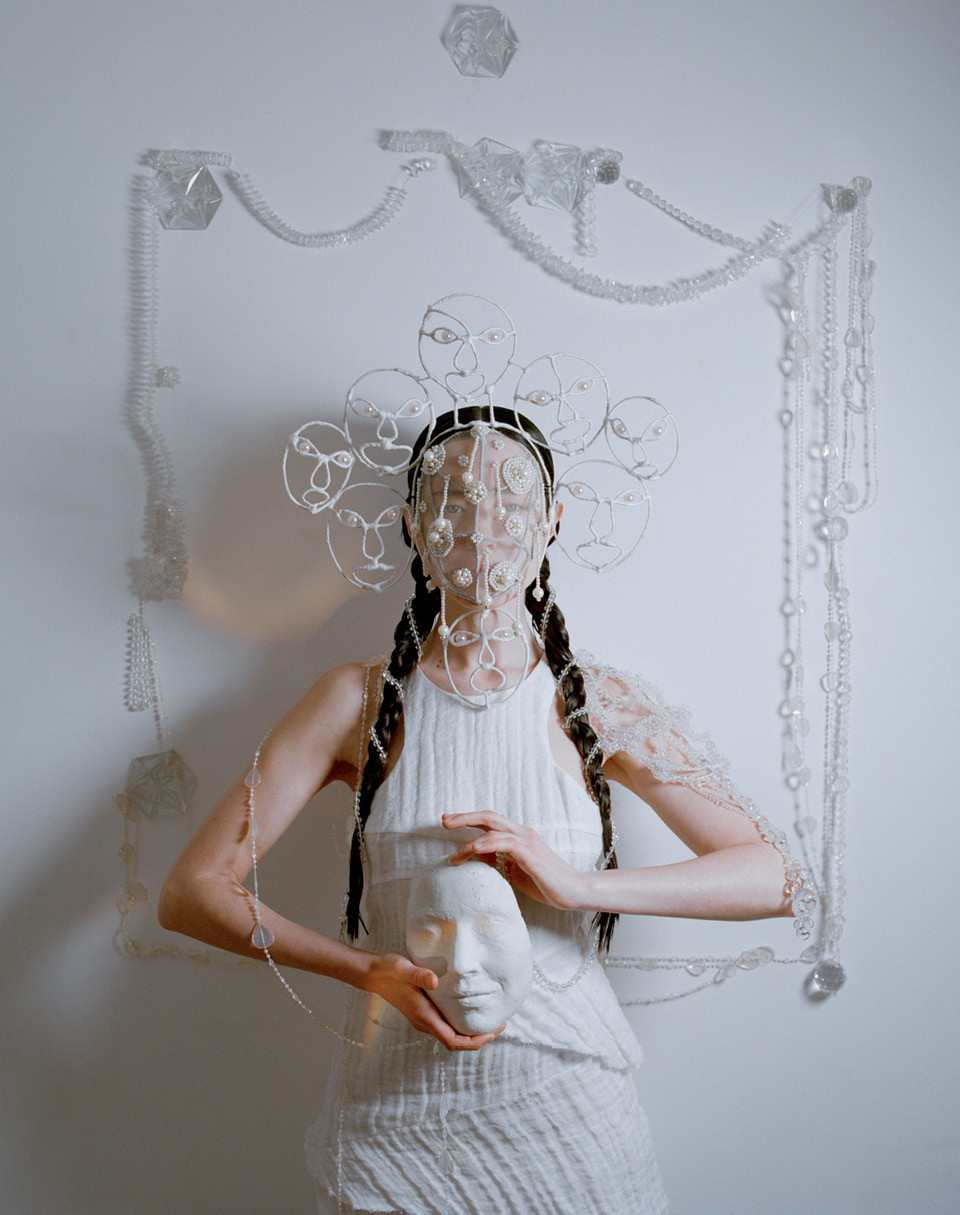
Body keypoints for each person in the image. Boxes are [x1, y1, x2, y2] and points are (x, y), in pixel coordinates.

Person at [160, 405, 805, 1214]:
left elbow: (779, 877)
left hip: (573, 1122)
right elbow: (191, 892)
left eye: (511, 497)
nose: (482, 523)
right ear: (413, 523)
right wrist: (366, 971)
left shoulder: (598, 701)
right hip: (393, 1126)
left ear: (552, 519)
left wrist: (576, 885)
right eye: (454, 499)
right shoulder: (356, 701)